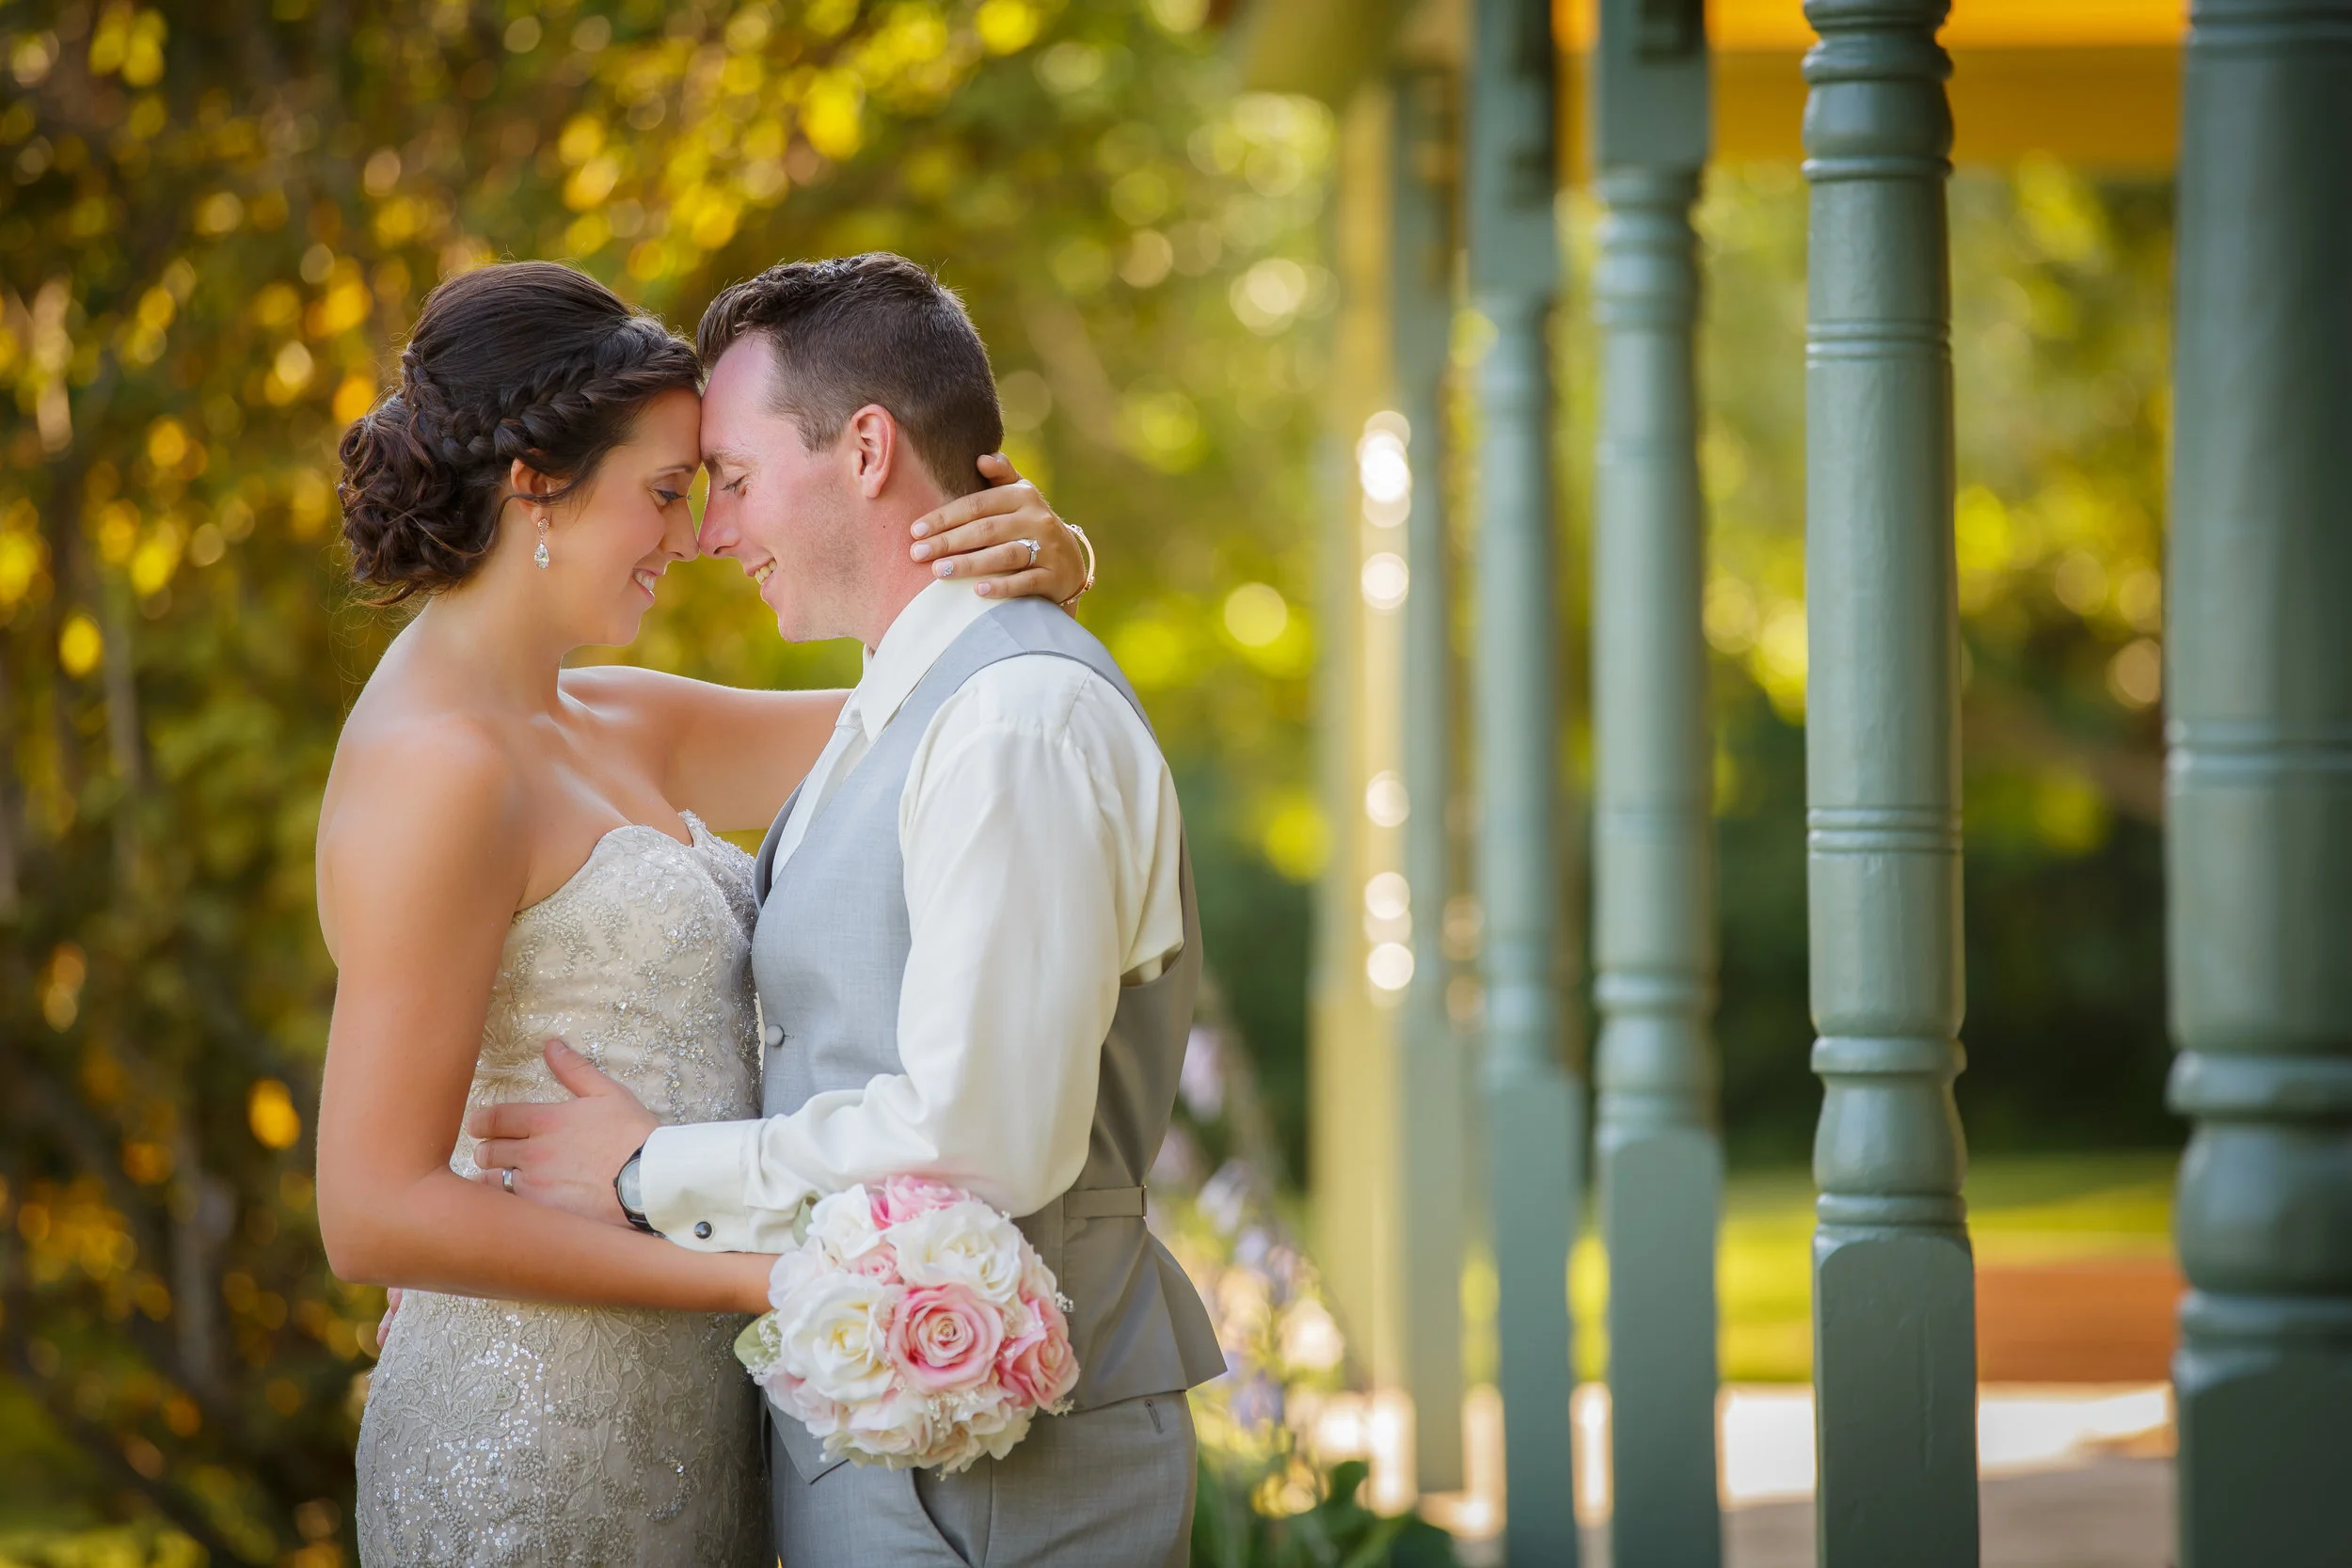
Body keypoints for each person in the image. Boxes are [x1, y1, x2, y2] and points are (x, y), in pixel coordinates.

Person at [312, 258, 1091, 1566]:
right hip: (535, 1444)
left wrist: (1053, 563)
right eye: (667, 493)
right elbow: (372, 1210)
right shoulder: (434, 770)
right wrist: (767, 1275)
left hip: (700, 1416)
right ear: (535, 484)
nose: (695, 537)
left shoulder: (616, 717)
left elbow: (954, 708)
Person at [469, 253, 1225, 1567]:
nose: (711, 530)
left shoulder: (1014, 719)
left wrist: (651, 1170)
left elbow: (983, 1136)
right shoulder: (906, 708)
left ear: (868, 448)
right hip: (887, 1444)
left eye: (737, 480)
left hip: (1005, 1474)